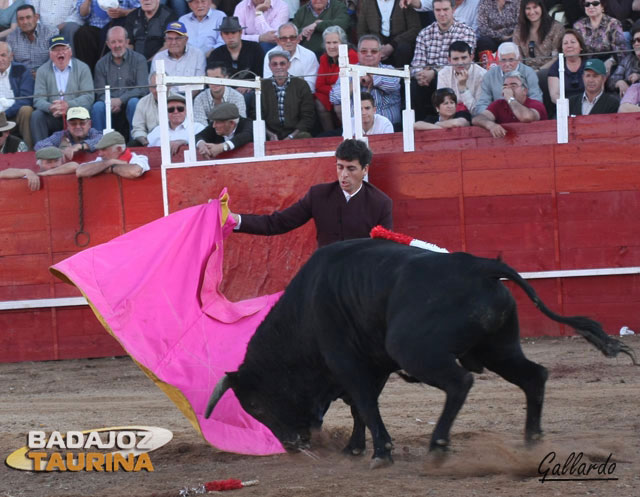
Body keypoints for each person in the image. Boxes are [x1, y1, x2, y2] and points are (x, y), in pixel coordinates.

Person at [229, 138, 393, 248]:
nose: (344, 174)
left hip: (359, 278)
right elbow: (278, 223)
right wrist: (235, 220)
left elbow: (384, 250)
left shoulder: (380, 203)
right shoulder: (319, 195)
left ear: (365, 169)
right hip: (325, 273)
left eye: (351, 169)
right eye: (340, 167)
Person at [410, 0, 476, 119]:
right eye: (438, 10)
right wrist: (421, 75)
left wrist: (434, 72)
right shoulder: (424, 33)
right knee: (413, 85)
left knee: (441, 78)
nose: (442, 14)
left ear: (453, 10)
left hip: (453, 78)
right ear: (433, 11)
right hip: (427, 81)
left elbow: (462, 63)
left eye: (445, 10)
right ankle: (417, 125)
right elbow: (416, 64)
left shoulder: (466, 32)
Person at [30, 35, 94, 145]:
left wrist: (68, 105)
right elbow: (38, 99)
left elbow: (89, 97)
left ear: (70, 52)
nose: (60, 53)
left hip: (77, 115)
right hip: (53, 116)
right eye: (55, 50)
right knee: (37, 115)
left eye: (63, 49)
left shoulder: (83, 68)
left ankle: (87, 146)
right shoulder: (42, 71)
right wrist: (51, 107)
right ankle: (41, 151)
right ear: (50, 54)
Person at [330, 35, 402, 126]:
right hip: (357, 129)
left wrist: (371, 76)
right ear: (358, 54)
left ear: (380, 54)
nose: (369, 54)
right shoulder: (348, 72)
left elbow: (393, 84)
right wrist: (357, 80)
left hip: (389, 127)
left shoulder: (389, 69)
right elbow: (334, 98)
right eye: (364, 51)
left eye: (374, 51)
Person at [91, 26, 149, 137]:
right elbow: (100, 92)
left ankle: (136, 140)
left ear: (127, 42)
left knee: (134, 102)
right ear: (108, 44)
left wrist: (121, 100)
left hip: (130, 104)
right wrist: (111, 102)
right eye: (113, 42)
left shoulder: (139, 59)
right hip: (110, 105)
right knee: (98, 106)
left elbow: (143, 88)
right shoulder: (101, 64)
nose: (117, 45)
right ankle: (97, 142)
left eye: (120, 41)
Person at [472, 71, 547, 137]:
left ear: (525, 91)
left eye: (513, 86)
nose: (508, 89)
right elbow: (477, 119)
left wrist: (510, 98)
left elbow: (526, 117)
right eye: (505, 86)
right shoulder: (498, 104)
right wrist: (491, 125)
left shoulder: (536, 104)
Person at [475, 41, 543, 114]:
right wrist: (488, 116)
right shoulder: (489, 75)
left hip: (524, 116)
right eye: (503, 60)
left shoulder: (529, 72)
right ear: (498, 59)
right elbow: (483, 103)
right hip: (498, 118)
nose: (507, 64)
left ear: (518, 59)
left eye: (511, 60)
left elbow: (536, 99)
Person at [261, 50, 315, 140]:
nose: (279, 67)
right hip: (269, 134)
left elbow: (308, 116)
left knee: (305, 137)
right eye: (274, 64)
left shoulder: (301, 85)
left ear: (288, 65)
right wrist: (269, 134)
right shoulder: (262, 86)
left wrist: (291, 136)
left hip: (296, 134)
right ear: (270, 66)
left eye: (282, 63)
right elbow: (255, 115)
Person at [73, 0, 138, 73]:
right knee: (82, 34)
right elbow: (83, 14)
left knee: (119, 35)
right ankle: (87, 75)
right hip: (95, 28)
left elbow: (139, 9)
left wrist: (124, 12)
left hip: (118, 25)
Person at [314, 25, 357, 132]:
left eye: (335, 42)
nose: (331, 46)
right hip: (332, 95)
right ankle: (330, 134)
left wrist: (333, 87)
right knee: (319, 100)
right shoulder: (324, 58)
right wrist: (335, 88)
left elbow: (348, 85)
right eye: (328, 43)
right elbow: (319, 86)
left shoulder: (352, 56)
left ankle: (348, 132)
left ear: (343, 43)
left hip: (350, 95)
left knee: (340, 104)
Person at [356, 0, 421, 67]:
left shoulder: (404, 1)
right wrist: (377, 46)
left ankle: (402, 77)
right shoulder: (367, 3)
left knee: (404, 49)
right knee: (369, 51)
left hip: (400, 44)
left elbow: (415, 29)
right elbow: (361, 31)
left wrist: (392, 45)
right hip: (377, 45)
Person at [263, 22, 319, 92]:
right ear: (278, 41)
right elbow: (268, 84)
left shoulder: (309, 56)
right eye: (284, 38)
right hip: (276, 96)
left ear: (298, 39)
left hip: (301, 97)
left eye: (292, 38)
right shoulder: (270, 55)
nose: (288, 41)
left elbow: (311, 86)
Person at [573, 0, 627, 73]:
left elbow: (621, 52)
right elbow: (575, 52)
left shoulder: (613, 24)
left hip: (608, 65)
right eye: (587, 4)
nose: (591, 7)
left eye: (595, 3)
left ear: (602, 6)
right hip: (585, 66)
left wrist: (611, 61)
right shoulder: (578, 26)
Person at [207, 16, 264, 82]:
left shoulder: (255, 49)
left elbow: (261, 75)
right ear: (221, 35)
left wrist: (249, 86)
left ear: (240, 32)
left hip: (253, 89)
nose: (230, 37)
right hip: (226, 90)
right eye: (226, 33)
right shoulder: (216, 54)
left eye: (233, 32)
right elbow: (212, 79)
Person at [6, 4, 59, 76]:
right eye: (21, 19)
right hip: (22, 76)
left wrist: (41, 73)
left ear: (36, 18)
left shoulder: (50, 33)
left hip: (47, 75)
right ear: (17, 22)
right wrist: (25, 74)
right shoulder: (12, 37)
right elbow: (10, 60)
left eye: (28, 17)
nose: (25, 22)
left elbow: (57, 56)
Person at [436, 40, 486, 115]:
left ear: (471, 57)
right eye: (456, 59)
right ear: (449, 60)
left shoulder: (482, 75)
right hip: (450, 117)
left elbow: (478, 111)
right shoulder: (443, 74)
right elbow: (442, 107)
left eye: (464, 58)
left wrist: (463, 87)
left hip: (473, 119)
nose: (460, 62)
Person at [34, 106, 102, 160]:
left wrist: (80, 146)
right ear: (67, 125)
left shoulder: (93, 132)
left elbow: (102, 140)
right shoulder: (62, 134)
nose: (78, 126)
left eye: (82, 123)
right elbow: (39, 145)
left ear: (89, 124)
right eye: (73, 124)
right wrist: (60, 151)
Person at [512, 0, 564, 71]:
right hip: (526, 72)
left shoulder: (556, 28)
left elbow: (556, 58)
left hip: (549, 71)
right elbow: (518, 58)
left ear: (541, 7)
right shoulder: (519, 30)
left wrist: (539, 71)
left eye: (535, 7)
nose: (532, 12)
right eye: (528, 8)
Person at [0, 41, 34, 149]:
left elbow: (26, 98)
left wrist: (5, 113)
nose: (0, 59)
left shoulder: (20, 70)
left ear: (11, 56)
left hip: (13, 114)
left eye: (3, 55)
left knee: (26, 109)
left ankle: (28, 150)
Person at [76, 130, 150, 178]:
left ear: (119, 149)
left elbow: (134, 171)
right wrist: (110, 162)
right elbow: (80, 171)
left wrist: (112, 168)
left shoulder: (138, 158)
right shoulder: (103, 160)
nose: (100, 154)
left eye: (104, 149)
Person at [547, 29, 588, 104]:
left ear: (581, 47)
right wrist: (569, 105)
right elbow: (554, 96)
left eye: (573, 42)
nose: (569, 46)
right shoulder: (555, 67)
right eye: (565, 43)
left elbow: (598, 91)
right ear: (562, 49)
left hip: (588, 105)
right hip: (564, 108)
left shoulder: (589, 64)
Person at [399, 0, 481, 31]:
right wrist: (410, 2)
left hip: (464, 41)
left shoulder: (477, 3)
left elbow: (475, 30)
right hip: (441, 39)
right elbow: (422, 4)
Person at [609, 23, 640, 96]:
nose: (636, 44)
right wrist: (619, 83)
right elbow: (610, 82)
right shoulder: (627, 60)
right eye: (633, 41)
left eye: (639, 40)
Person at [130, 72, 159, 146]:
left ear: (169, 86)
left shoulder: (180, 101)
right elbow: (138, 128)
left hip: (174, 140)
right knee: (133, 145)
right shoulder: (143, 102)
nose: (158, 90)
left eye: (161, 86)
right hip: (149, 140)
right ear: (149, 87)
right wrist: (144, 141)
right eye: (154, 87)